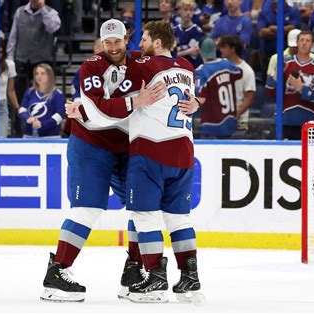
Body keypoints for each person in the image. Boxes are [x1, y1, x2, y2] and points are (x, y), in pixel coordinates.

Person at [40, 19, 165, 303]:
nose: (113, 47)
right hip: (90, 145)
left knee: (142, 207)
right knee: (86, 209)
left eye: (117, 41)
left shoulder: (142, 61)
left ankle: (133, 273)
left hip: (127, 146)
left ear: (126, 38)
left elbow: (173, 72)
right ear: (100, 42)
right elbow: (98, 113)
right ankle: (57, 273)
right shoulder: (91, 67)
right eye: (107, 43)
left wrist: (192, 100)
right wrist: (135, 102)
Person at [114, 20, 201, 303]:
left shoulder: (144, 65)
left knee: (144, 216)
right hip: (184, 152)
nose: (140, 45)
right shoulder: (187, 68)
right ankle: (190, 278)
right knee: (179, 218)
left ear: (158, 43)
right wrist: (197, 103)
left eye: (145, 39)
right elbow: (190, 99)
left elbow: (116, 75)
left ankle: (155, 276)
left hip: (151, 150)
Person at [266, 31, 314, 140]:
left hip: (309, 122)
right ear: (297, 43)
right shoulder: (285, 63)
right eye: (301, 40)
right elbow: (270, 89)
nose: (304, 43)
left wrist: (301, 87)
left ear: (313, 45)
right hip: (284, 119)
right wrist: (276, 74)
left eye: (308, 40)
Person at [7, 0, 61, 105]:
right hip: (21, 59)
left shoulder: (51, 13)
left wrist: (43, 9)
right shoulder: (19, 11)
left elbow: (53, 28)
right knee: (20, 95)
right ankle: (20, 119)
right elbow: (13, 36)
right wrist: (10, 58)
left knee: (43, 94)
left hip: (42, 60)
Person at [195, 37, 243, 138]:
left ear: (200, 51)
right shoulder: (227, 64)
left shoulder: (201, 71)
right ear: (215, 49)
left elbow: (200, 98)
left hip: (211, 124)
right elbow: (239, 73)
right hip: (229, 123)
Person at [218, 35, 255, 133]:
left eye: (224, 47)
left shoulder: (247, 71)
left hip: (239, 123)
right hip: (219, 121)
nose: (221, 50)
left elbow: (248, 98)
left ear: (232, 49)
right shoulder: (218, 67)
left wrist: (233, 116)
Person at [18, 63, 65, 138]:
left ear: (49, 76)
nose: (39, 76)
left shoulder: (57, 94)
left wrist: (42, 125)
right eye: (37, 74)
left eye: (43, 73)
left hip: (51, 137)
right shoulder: (29, 92)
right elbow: (22, 110)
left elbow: (59, 116)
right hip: (29, 135)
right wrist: (28, 119)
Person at [257, 0, 301, 74]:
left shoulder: (293, 11)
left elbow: (293, 29)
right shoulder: (264, 12)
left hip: (289, 56)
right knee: (268, 81)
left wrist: (272, 28)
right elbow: (261, 32)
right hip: (267, 55)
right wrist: (284, 30)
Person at [175, 0, 205, 70]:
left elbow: (194, 51)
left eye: (191, 10)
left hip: (193, 68)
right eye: (185, 10)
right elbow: (170, 53)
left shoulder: (198, 31)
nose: (188, 13)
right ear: (179, 11)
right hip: (176, 68)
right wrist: (188, 51)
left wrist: (180, 49)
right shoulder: (174, 30)